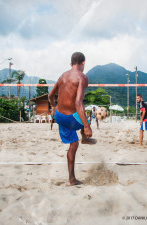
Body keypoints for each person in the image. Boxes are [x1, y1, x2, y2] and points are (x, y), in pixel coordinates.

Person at [48, 52, 95, 186]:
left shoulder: (63, 75)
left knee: (73, 144)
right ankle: (85, 138)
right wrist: (86, 126)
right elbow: (78, 103)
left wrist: (52, 106)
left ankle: (72, 179)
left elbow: (50, 95)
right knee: (85, 116)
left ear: (71, 64)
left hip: (59, 116)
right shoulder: (82, 77)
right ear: (83, 63)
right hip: (70, 118)